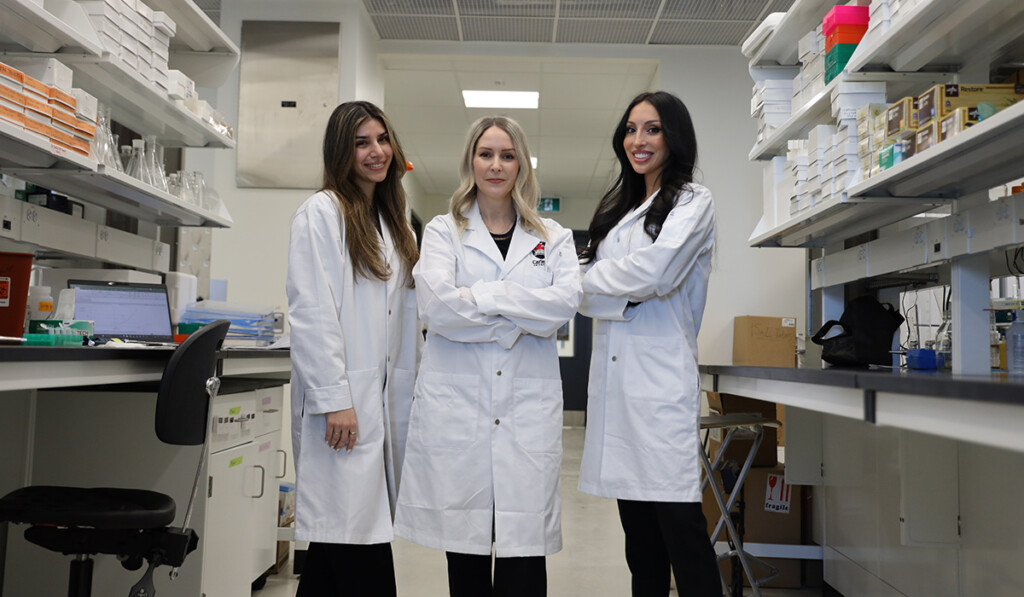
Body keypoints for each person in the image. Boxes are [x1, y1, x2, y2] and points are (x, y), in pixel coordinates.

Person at [394, 116, 582, 597]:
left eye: (507, 155)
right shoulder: (441, 232)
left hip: (525, 410)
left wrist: (481, 296)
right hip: (462, 408)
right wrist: (519, 313)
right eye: (486, 154)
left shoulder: (553, 237)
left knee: (525, 554)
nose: (496, 165)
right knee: (467, 552)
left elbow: (562, 306)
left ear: (521, 164)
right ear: (470, 162)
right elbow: (436, 307)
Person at [577, 91, 720, 597]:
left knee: (682, 532)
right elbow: (585, 292)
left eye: (653, 129)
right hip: (617, 389)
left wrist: (597, 281)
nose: (638, 140)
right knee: (639, 542)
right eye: (632, 129)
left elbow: (658, 271)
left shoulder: (692, 202)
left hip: (659, 386)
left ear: (673, 136)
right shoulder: (618, 207)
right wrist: (619, 294)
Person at [285, 100, 419, 597]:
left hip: (378, 404)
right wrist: (334, 398)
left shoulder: (391, 221)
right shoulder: (321, 213)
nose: (377, 151)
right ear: (341, 151)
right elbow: (313, 312)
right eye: (362, 143)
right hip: (343, 409)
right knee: (357, 549)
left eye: (382, 140)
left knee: (336, 548)